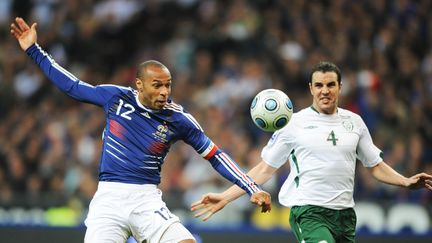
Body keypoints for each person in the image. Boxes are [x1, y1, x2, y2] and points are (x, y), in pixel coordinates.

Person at [10, 17, 271, 243]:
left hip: (146, 199)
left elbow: (216, 155)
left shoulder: (178, 118)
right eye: (157, 85)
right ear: (139, 84)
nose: (164, 91)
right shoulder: (116, 98)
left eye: (168, 85)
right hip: (109, 199)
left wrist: (251, 188)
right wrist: (33, 49)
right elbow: (72, 86)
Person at [191, 61, 432, 242]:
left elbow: (375, 166)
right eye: (319, 85)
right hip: (309, 212)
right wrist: (225, 196)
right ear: (311, 88)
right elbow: (264, 170)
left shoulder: (355, 122)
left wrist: (405, 182)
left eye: (330, 85)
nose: (324, 91)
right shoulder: (293, 124)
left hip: (345, 216)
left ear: (340, 87)